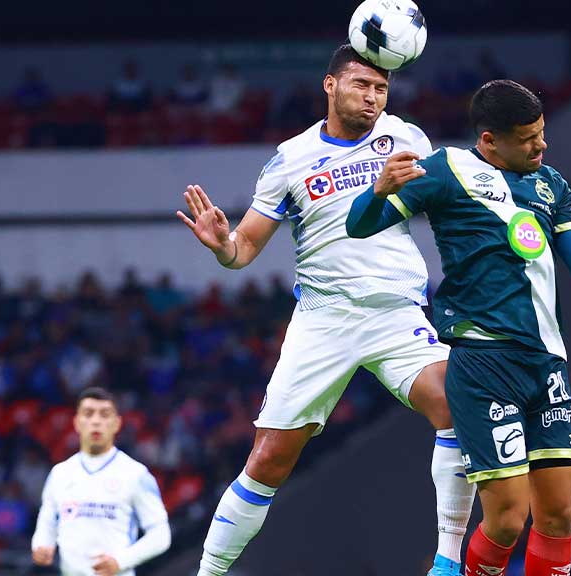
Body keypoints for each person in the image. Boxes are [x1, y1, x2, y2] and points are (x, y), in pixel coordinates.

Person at [176, 44, 475, 576]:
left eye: (382, 88)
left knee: (457, 404)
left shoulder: (405, 138)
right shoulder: (290, 158)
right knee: (269, 460)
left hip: (394, 313)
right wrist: (222, 245)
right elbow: (242, 252)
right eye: (361, 85)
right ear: (330, 85)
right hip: (324, 318)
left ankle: (448, 563)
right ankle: (209, 572)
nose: (373, 97)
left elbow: (443, 206)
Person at [346, 79, 571, 575]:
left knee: (559, 513)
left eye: (542, 132)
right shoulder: (446, 170)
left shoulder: (550, 184)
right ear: (490, 141)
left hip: (546, 365)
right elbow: (360, 226)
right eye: (528, 137)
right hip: (485, 365)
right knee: (508, 518)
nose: (542, 144)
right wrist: (378, 190)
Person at [31, 387, 170, 576]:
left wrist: (120, 562)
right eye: (88, 414)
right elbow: (47, 521)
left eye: (105, 415)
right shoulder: (60, 473)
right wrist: (41, 545)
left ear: (117, 423)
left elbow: (161, 534)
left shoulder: (136, 474)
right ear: (76, 422)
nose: (96, 421)